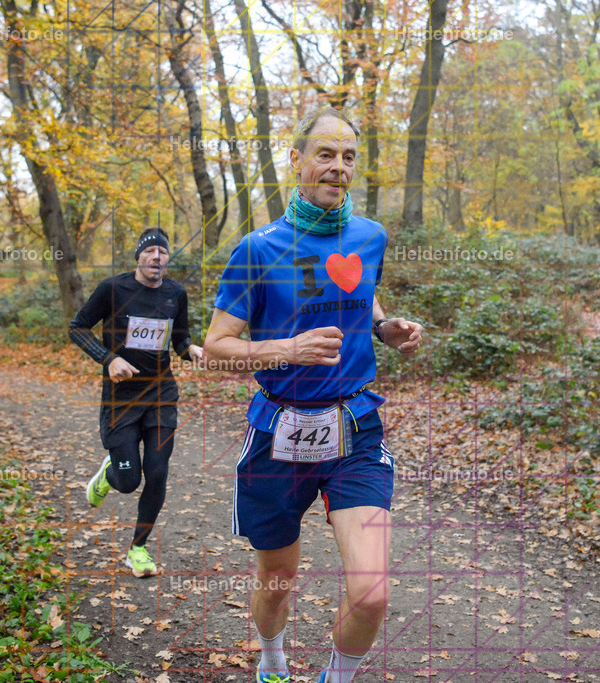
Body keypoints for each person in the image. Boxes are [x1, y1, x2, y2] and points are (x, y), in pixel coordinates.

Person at [203, 107, 424, 683]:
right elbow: (218, 347)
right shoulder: (258, 249)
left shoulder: (369, 237)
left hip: (355, 429)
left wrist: (383, 328)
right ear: (296, 159)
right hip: (279, 432)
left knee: (372, 594)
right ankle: (272, 658)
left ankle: (336, 677)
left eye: (349, 156)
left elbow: (358, 293)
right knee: (276, 582)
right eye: (325, 153)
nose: (338, 166)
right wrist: (287, 348)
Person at [69, 227, 203, 578]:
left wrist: (191, 349)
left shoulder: (176, 293)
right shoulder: (113, 289)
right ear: (139, 257)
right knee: (129, 481)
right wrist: (108, 358)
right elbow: (78, 327)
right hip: (121, 398)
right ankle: (109, 473)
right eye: (150, 251)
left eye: (163, 252)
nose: (157, 257)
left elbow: (179, 337)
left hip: (160, 394)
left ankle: (138, 549)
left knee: (157, 472)